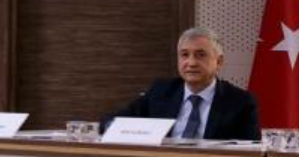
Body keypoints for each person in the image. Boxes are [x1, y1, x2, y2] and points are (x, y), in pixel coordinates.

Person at [110, 27, 261, 140]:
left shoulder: (241, 102)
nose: (191, 63)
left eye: (201, 55)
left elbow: (251, 154)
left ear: (219, 61)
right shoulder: (161, 92)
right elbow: (112, 122)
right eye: (185, 55)